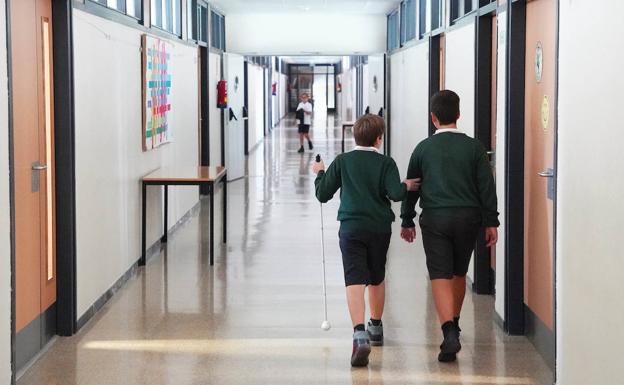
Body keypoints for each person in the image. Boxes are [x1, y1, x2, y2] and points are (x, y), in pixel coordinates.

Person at [312, 114, 420, 367]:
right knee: (376, 276)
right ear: (379, 139)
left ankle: (359, 333)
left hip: (351, 228)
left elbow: (322, 194)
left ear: (355, 136)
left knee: (354, 278)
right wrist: (405, 186)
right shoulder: (386, 163)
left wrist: (320, 173)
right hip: (379, 228)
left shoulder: (342, 161)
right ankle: (376, 327)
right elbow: (395, 194)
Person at [400, 90, 499, 363]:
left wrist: (407, 219)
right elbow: (486, 187)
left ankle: (449, 331)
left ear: (433, 118)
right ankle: (453, 323)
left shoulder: (422, 148)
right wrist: (491, 220)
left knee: (439, 274)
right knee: (458, 272)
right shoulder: (475, 148)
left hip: (436, 219)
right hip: (468, 219)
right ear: (458, 114)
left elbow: (412, 187)